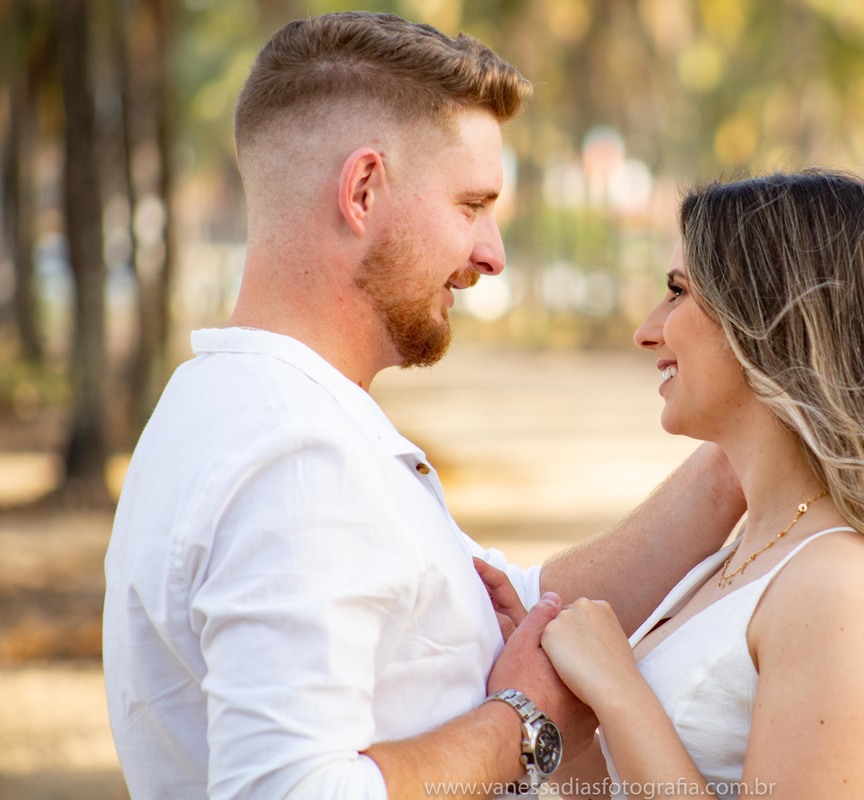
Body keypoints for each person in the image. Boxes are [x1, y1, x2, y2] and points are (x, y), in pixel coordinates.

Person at [102, 12, 744, 800]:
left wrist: (745, 457)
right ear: (364, 190)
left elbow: (505, 601)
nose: (492, 254)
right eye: (472, 205)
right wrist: (521, 726)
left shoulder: (246, 405)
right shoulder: (294, 458)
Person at [532, 170, 864, 799]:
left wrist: (617, 689)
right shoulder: (747, 555)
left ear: (768, 318)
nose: (647, 329)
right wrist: (549, 700)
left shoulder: (839, 583)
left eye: (678, 291)